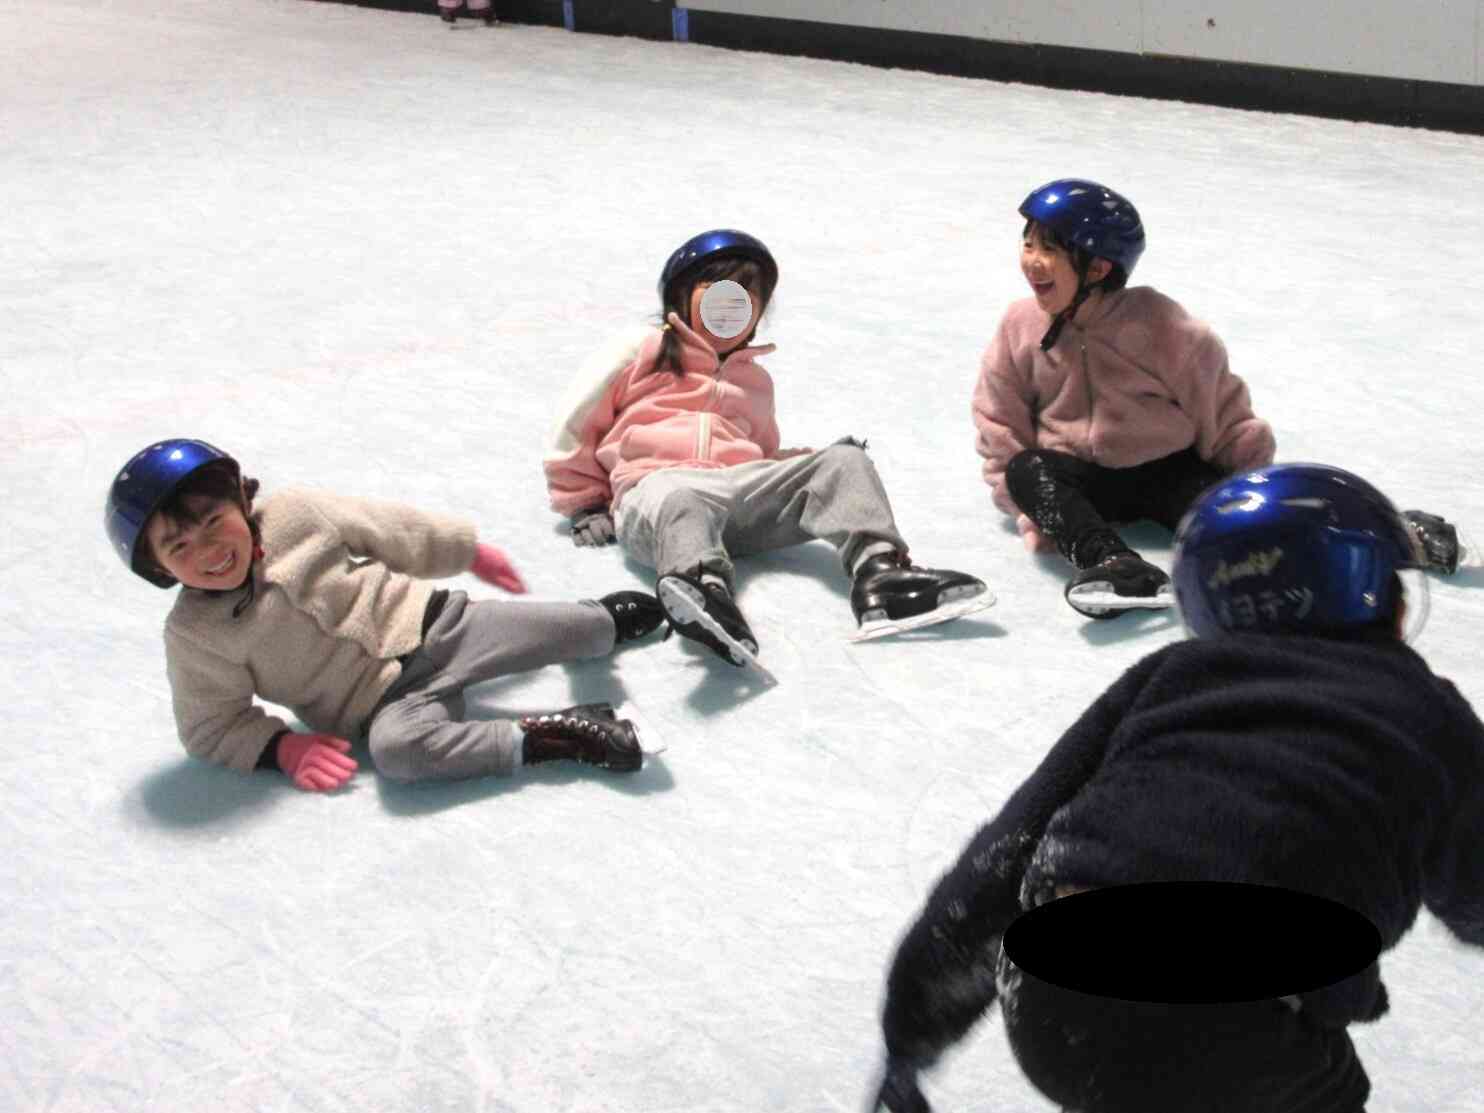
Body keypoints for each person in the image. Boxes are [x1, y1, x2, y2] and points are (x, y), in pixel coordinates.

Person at [868, 463, 1484, 1112]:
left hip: (1054, 993)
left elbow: (1004, 851)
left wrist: (911, 1036)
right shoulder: (1422, 708)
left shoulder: (1168, 677)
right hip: (1228, 1016)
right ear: (1372, 592)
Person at [542, 228, 990, 670]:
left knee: (844, 460)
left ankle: (881, 575)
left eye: (745, 295)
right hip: (658, 496)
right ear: (680, 293)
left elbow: (756, 453)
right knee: (680, 495)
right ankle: (701, 586)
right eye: (716, 289)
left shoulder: (754, 380)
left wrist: (805, 464)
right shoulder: (642, 350)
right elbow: (577, 420)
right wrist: (584, 503)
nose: (730, 304)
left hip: (739, 500)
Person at [105, 439, 665, 790]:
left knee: (580, 631)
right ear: (158, 568)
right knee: (398, 756)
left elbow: (388, 528)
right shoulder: (195, 636)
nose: (207, 551)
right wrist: (281, 748)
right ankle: (560, 734)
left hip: (441, 626)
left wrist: (467, 551)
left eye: (212, 522)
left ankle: (604, 620)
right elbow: (209, 725)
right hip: (383, 707)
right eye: (178, 548)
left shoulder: (294, 515)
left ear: (239, 500)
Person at [971, 178, 1276, 618]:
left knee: (1240, 529)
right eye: (1029, 244)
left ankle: (1349, 536)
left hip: (1165, 472)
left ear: (1097, 269)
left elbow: (1221, 412)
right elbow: (998, 419)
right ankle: (1112, 562)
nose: (1032, 262)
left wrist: (1247, 491)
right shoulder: (1020, 324)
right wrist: (1033, 507)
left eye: (1050, 250)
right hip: (1080, 480)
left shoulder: (1162, 327)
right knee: (1027, 469)